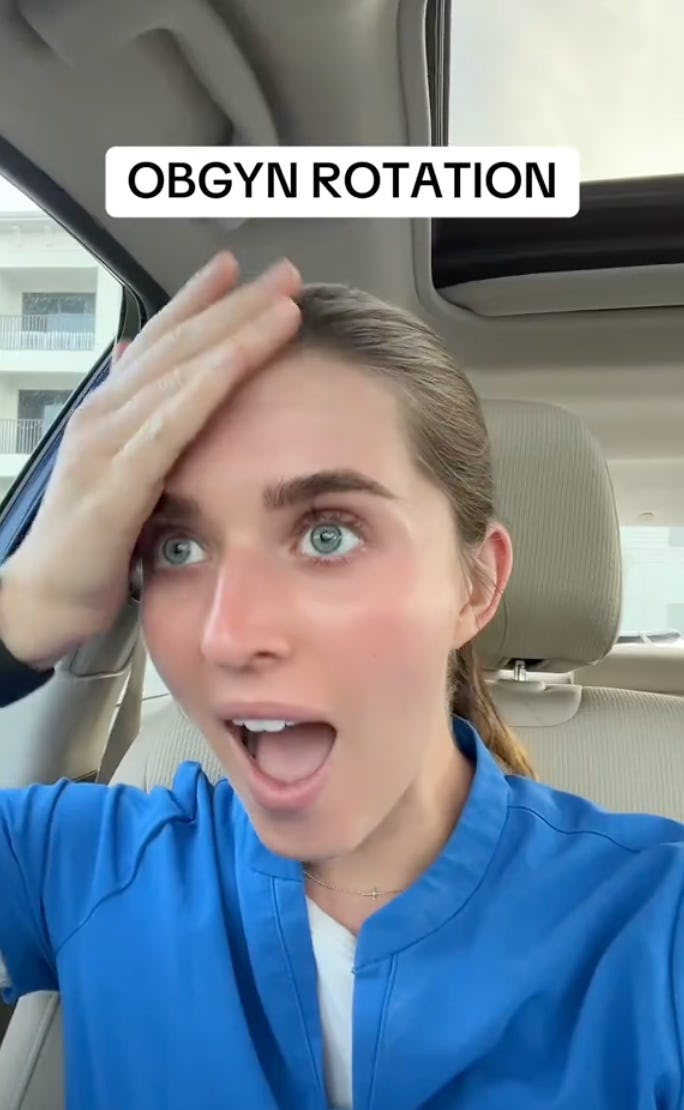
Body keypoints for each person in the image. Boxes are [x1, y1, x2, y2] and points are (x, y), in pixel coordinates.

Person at [0, 251, 683, 1110]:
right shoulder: (78, 864)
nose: (230, 633)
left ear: (474, 585)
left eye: (329, 535)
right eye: (178, 548)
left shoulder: (658, 926)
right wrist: (19, 611)